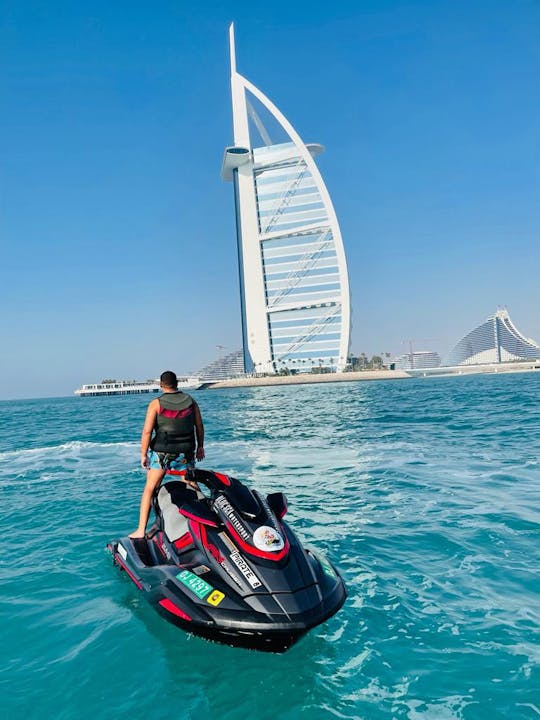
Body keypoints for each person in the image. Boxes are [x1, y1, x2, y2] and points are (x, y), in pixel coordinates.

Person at [129, 370, 205, 538]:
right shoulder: (190, 401)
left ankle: (141, 530)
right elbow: (199, 426)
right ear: (177, 383)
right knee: (192, 486)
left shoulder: (156, 403)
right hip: (185, 451)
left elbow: (147, 432)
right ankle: (207, 521)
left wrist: (144, 455)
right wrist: (200, 447)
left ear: (161, 385)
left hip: (162, 452)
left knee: (150, 488)